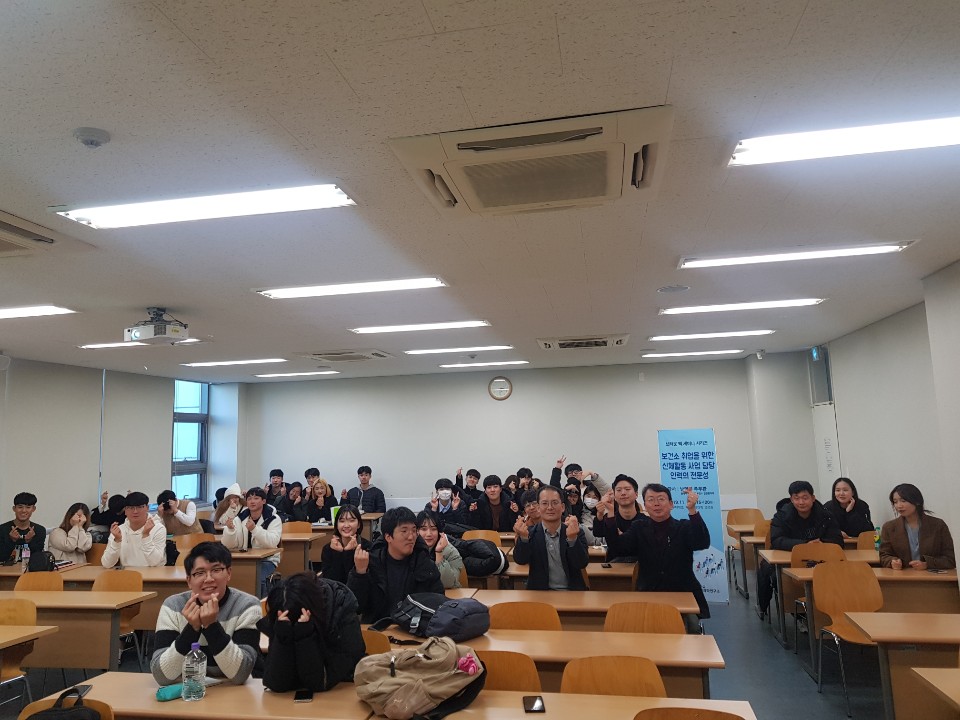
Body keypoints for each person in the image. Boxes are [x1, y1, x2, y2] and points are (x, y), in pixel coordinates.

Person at [151, 542, 261, 686]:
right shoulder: (173, 606)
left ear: (229, 573)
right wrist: (192, 629)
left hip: (232, 691)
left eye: (216, 570)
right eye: (199, 573)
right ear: (189, 581)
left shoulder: (247, 606)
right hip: (189, 690)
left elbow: (240, 675)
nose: (208, 579)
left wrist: (211, 625)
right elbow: (161, 676)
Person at [606, 484, 712, 622]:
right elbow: (618, 548)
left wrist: (692, 511)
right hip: (648, 592)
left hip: (682, 592)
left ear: (671, 504)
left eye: (661, 499)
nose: (656, 504)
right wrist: (610, 513)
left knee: (690, 629)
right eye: (651, 500)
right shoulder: (639, 527)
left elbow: (702, 543)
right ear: (645, 506)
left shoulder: (683, 527)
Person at [258, 572, 365, 692]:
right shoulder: (282, 612)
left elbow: (320, 682)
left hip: (340, 691)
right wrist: (283, 637)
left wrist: (305, 635)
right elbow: (276, 683)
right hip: (296, 697)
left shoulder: (340, 611)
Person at [347, 506, 443, 622]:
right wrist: (360, 573)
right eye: (404, 531)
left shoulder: (424, 564)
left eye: (414, 530)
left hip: (414, 627)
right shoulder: (372, 563)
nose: (411, 537)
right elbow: (355, 607)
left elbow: (438, 603)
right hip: (378, 627)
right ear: (388, 537)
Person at [512, 485, 589, 590]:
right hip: (540, 592)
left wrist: (572, 539)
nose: (550, 507)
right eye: (544, 503)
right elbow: (520, 560)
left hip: (571, 592)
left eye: (555, 503)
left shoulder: (575, 531)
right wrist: (524, 539)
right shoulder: (530, 533)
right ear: (539, 507)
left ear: (562, 507)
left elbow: (581, 563)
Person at [220, 487, 282, 595]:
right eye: (249, 499)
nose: (252, 501)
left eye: (256, 498)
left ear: (263, 501)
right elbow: (228, 545)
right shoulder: (240, 518)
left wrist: (254, 529)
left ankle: (262, 603)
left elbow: (272, 542)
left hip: (267, 560)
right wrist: (230, 530)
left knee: (258, 579)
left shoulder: (273, 518)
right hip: (244, 558)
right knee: (228, 577)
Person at [880, 483, 955, 570]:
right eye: (895, 502)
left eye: (903, 501)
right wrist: (892, 562)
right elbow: (884, 555)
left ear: (917, 501)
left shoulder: (938, 525)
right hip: (902, 575)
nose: (899, 505)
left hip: (930, 575)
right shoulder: (889, 527)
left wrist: (927, 564)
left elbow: (951, 558)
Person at [101, 492, 168, 567]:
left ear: (147, 508)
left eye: (140, 507)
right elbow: (106, 564)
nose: (135, 511)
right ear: (125, 511)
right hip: (128, 573)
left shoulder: (158, 528)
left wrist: (146, 536)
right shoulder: (119, 530)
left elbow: (156, 563)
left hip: (153, 573)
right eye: (131, 508)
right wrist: (117, 541)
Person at [770, 480, 843, 549]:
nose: (801, 502)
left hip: (819, 554)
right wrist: (805, 544)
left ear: (813, 498)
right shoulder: (781, 516)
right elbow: (776, 540)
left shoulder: (826, 516)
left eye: (805, 498)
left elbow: (838, 540)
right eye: (796, 498)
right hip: (790, 555)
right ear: (791, 500)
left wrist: (822, 543)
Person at [593, 475, 644, 555]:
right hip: (614, 561)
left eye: (627, 489)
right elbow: (598, 532)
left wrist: (623, 537)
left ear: (636, 494)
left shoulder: (645, 521)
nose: (623, 493)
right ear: (615, 496)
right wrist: (600, 515)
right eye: (619, 490)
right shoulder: (610, 518)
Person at [319, 504, 369, 583]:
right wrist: (338, 553)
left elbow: (359, 582)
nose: (346, 525)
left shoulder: (367, 548)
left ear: (359, 524)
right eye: (342, 521)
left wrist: (349, 553)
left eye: (351, 520)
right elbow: (330, 581)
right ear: (336, 524)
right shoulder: (328, 549)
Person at [416, 510, 464, 589]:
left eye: (433, 529)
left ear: (440, 532)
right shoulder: (410, 550)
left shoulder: (450, 551)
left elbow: (447, 583)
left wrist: (439, 552)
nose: (429, 534)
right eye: (424, 529)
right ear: (416, 531)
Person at [0, 492, 46, 564]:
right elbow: (2, 557)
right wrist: (11, 541)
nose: (24, 511)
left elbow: (38, 559)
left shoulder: (39, 530)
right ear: (14, 509)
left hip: (30, 569)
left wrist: (29, 542)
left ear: (33, 509)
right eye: (20, 507)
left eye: (28, 507)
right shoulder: (2, 529)